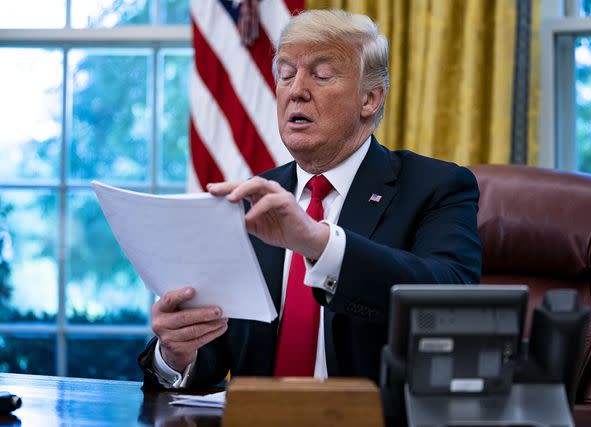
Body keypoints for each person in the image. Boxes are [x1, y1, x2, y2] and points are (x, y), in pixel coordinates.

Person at [138, 9, 482, 389]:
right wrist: (175, 354)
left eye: (321, 75)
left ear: (370, 98)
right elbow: (211, 355)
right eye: (285, 74)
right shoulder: (249, 201)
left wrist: (318, 243)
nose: (296, 90)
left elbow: (452, 301)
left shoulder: (436, 187)